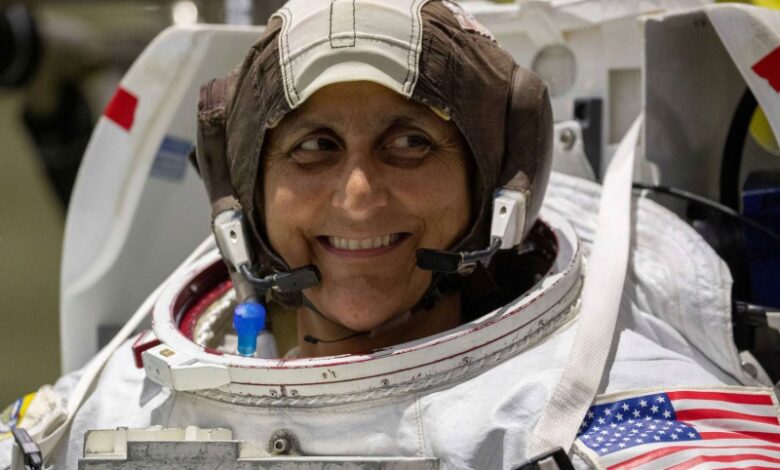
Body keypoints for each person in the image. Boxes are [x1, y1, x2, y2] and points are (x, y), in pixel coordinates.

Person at [2, 0, 778, 469]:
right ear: (242, 195)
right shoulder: (113, 405)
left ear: (495, 183)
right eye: (314, 148)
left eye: (410, 143)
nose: (359, 197)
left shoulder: (602, 410)